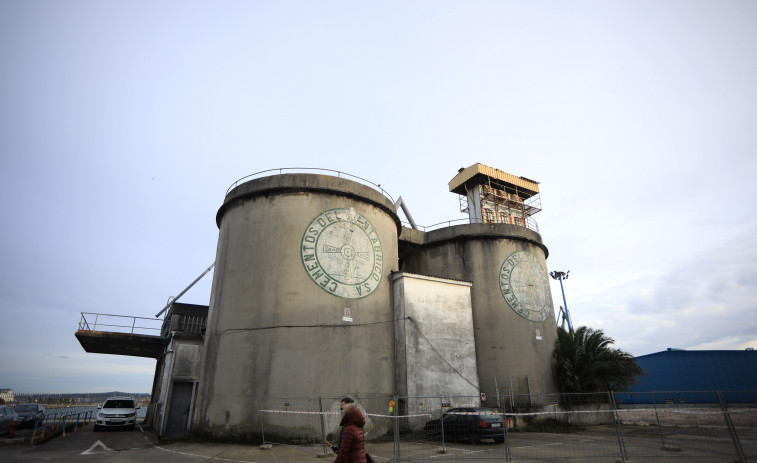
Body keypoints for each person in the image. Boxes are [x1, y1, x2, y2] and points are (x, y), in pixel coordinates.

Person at [333, 397, 367, 463]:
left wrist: (339, 453)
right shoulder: (357, 425)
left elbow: (344, 451)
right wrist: (338, 449)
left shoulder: (349, 428)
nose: (341, 411)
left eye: (342, 408)